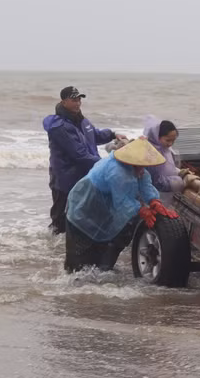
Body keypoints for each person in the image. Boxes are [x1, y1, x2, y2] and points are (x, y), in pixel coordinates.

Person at [64, 137, 178, 272]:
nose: (143, 168)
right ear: (132, 160)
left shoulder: (136, 168)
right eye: (140, 165)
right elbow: (123, 202)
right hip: (83, 208)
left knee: (101, 251)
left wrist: (154, 201)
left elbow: (145, 184)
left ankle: (102, 272)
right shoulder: (117, 171)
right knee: (79, 257)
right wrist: (142, 210)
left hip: (103, 208)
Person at [43, 86, 126, 234]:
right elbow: (79, 154)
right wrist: (105, 164)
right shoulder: (59, 127)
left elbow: (95, 135)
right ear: (63, 102)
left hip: (84, 175)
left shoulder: (82, 121)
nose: (78, 103)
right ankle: (52, 244)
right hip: (64, 178)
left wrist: (113, 134)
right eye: (74, 100)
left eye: (79, 99)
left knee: (82, 212)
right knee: (60, 217)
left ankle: (76, 238)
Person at [143, 117, 184, 205]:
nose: (170, 144)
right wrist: (181, 182)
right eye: (168, 140)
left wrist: (179, 172)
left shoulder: (165, 149)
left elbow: (168, 167)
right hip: (154, 197)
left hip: (167, 194)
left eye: (173, 140)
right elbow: (157, 182)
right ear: (157, 137)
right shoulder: (151, 153)